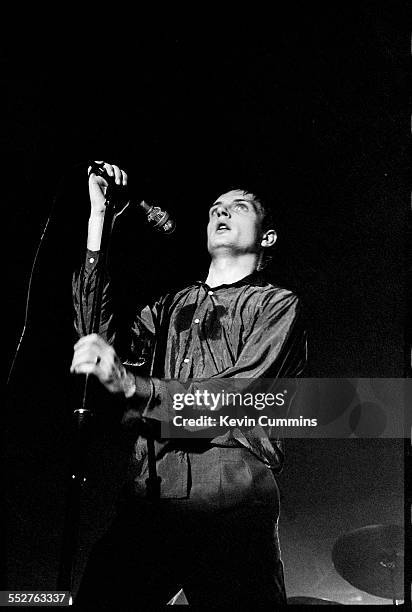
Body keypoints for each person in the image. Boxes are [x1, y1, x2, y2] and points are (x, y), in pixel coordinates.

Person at [71, 161, 307, 608]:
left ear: (267, 236)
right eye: (216, 207)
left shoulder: (277, 305)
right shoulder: (170, 305)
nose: (222, 212)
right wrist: (98, 219)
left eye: (239, 207)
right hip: (151, 490)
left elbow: (236, 396)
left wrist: (133, 386)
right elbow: (93, 337)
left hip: (230, 499)